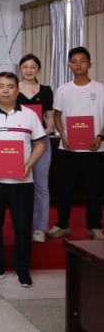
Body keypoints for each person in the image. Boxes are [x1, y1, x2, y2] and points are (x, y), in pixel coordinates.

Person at [0, 72, 46, 288]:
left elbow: (40, 144)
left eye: (10, 86)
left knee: (23, 228)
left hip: (22, 183)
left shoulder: (30, 115)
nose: (5, 90)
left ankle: (23, 269)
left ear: (17, 89)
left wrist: (29, 164)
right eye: (1, 86)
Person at [48, 47, 104, 241]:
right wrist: (63, 136)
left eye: (82, 60)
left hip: (94, 149)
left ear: (90, 64)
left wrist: (100, 137)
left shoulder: (100, 89)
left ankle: (95, 227)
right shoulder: (63, 89)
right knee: (64, 189)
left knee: (94, 190)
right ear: (69, 65)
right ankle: (62, 225)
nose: (78, 64)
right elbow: (57, 116)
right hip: (69, 148)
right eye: (74, 61)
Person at [17, 54, 55, 243]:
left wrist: (45, 132)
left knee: (41, 185)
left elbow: (49, 117)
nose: (29, 70)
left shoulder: (46, 90)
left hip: (41, 142)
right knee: (20, 184)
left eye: (33, 66)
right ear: (20, 69)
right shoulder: (14, 89)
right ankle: (22, 225)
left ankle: (40, 228)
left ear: (38, 69)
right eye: (25, 66)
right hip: (18, 143)